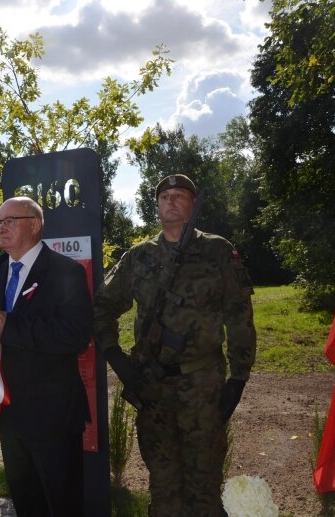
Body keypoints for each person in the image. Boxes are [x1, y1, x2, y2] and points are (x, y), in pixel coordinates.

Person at [92, 174, 256, 516]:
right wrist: (116, 359)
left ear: (192, 205)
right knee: (163, 487)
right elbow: (102, 307)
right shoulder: (138, 256)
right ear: (157, 205)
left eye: (180, 195)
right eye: (165, 196)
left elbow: (239, 315)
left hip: (202, 387)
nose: (171, 201)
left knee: (204, 487)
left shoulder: (218, 251)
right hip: (152, 389)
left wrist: (238, 378)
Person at [0, 196, 93, 517]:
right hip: (8, 411)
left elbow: (76, 334)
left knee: (63, 503)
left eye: (9, 220)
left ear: (34, 225)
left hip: (52, 415)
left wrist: (11, 326)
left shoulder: (64, 271)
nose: (1, 228)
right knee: (26, 502)